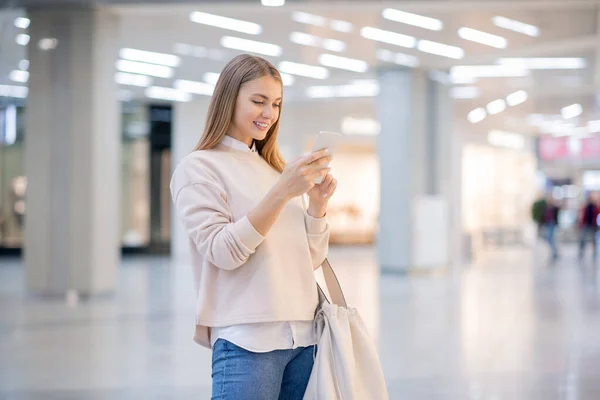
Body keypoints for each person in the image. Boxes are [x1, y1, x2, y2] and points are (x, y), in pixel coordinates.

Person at [170, 54, 337, 400]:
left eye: (275, 104)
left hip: (303, 339)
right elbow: (223, 252)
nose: (269, 114)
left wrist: (317, 206)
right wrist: (281, 193)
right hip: (248, 340)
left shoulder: (276, 170)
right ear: (228, 99)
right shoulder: (199, 168)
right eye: (258, 101)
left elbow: (309, 259)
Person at [578, 193, 599, 260]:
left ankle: (594, 252)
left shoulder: (595, 207)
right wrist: (581, 224)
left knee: (593, 239)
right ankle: (581, 251)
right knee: (583, 238)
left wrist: (596, 224)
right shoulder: (586, 207)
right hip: (586, 224)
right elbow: (584, 216)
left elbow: (597, 216)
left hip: (593, 225)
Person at [541, 195, 560, 261]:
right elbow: (543, 216)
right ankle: (554, 251)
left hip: (552, 224)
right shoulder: (546, 207)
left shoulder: (554, 207)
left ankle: (555, 252)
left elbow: (556, 214)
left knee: (550, 238)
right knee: (548, 238)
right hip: (547, 223)